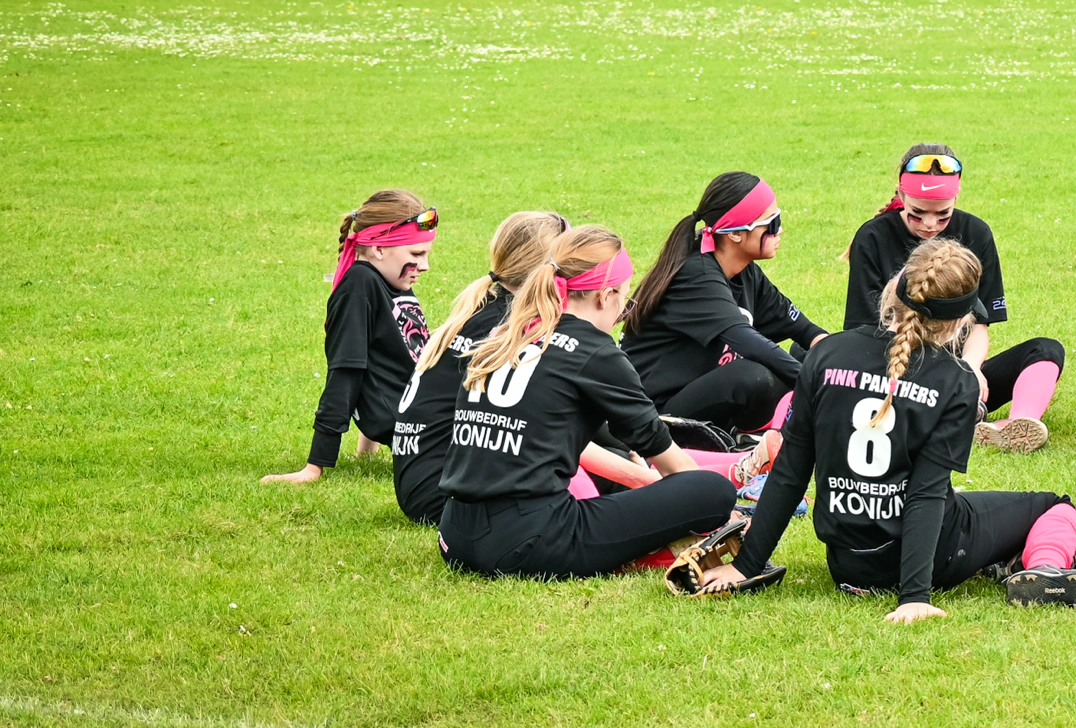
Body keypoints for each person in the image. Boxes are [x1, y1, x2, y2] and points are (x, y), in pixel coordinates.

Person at [698, 239, 1076, 616]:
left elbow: (791, 471)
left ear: (894, 291)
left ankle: (1007, 559)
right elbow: (924, 495)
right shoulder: (957, 381)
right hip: (929, 559)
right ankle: (1044, 568)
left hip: (847, 564)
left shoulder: (825, 354)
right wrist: (914, 596)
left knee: (962, 505)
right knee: (1054, 505)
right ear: (962, 320)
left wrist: (745, 566)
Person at [437, 226, 742, 579]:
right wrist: (715, 509)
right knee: (712, 490)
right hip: (529, 541)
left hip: (455, 534)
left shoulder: (505, 334)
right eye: (625, 302)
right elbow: (667, 458)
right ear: (605, 295)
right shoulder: (595, 350)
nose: (621, 312)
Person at [843, 143, 1064, 454]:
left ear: (956, 197)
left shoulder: (977, 232)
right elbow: (866, 332)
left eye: (942, 216)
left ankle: (1017, 425)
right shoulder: (872, 237)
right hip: (895, 368)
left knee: (1045, 350)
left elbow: (979, 324)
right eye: (917, 214)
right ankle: (955, 413)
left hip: (960, 368)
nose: (930, 225)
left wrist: (971, 370)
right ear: (901, 196)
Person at [622, 171, 828, 440]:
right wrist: (821, 387)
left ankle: (752, 433)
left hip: (706, 390)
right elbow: (749, 344)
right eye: (772, 223)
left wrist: (842, 368)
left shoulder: (745, 271)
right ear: (736, 234)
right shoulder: (697, 276)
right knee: (753, 377)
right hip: (657, 412)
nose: (781, 230)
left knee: (808, 355)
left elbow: (805, 331)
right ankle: (745, 442)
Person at [265, 190, 437, 486]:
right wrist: (314, 467)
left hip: (431, 416)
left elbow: (389, 361)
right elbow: (346, 372)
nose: (424, 265)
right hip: (424, 430)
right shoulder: (359, 288)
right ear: (379, 249)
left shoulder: (390, 278)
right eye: (416, 254)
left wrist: (366, 452)